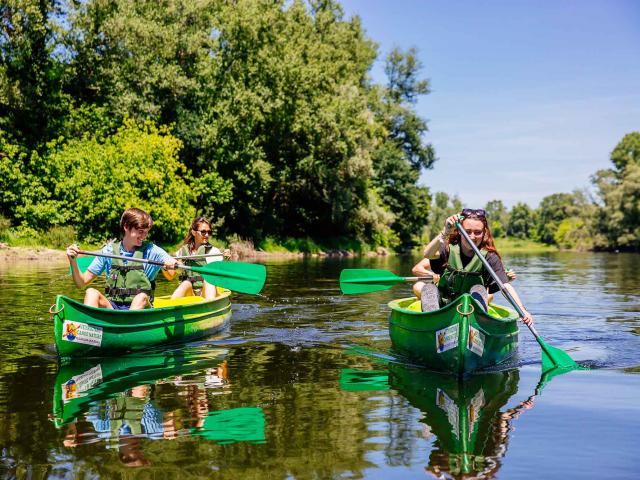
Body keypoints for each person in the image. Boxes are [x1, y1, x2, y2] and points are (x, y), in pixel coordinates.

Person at [412, 208, 533, 325]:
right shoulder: (447, 248)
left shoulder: (490, 257)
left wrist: (522, 309)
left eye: (477, 232)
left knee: (479, 290)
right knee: (429, 289)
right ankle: (433, 326)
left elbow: (505, 286)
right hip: (443, 308)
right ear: (459, 231)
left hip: (472, 313)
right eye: (467, 231)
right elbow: (427, 254)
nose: (472, 236)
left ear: (484, 232)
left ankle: (475, 327)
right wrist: (446, 231)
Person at [66, 208, 177, 310]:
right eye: (140, 231)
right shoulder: (108, 251)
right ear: (126, 227)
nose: (144, 236)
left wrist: (169, 266)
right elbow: (81, 282)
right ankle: (88, 329)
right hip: (113, 309)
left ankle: (127, 328)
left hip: (142, 310)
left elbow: (171, 274)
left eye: (146, 232)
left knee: (141, 297)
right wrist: (73, 261)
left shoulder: (152, 251)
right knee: (91, 292)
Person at [163, 217, 222, 300]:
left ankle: (209, 307)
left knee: (209, 280)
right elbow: (170, 276)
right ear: (194, 232)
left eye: (209, 232)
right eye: (203, 232)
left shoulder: (214, 252)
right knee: (185, 283)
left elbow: (219, 277)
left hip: (206, 293)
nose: (207, 235)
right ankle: (170, 307)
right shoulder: (182, 252)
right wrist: (165, 267)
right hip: (191, 295)